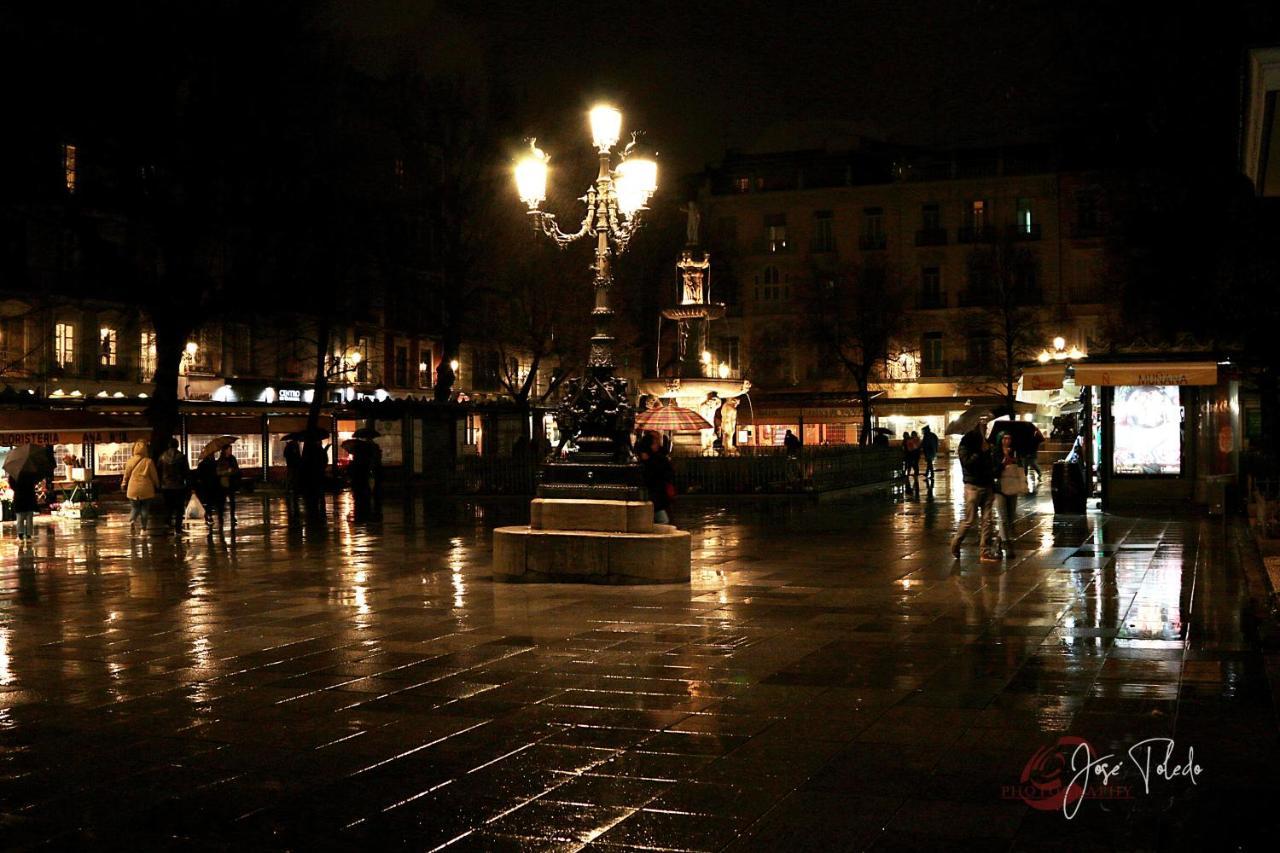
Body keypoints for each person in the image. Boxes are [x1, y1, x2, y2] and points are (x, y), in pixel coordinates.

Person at [950, 417, 998, 561]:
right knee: (970, 520)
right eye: (983, 425)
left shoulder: (987, 442)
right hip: (973, 486)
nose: (985, 427)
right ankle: (956, 542)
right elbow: (967, 463)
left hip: (987, 484)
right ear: (975, 426)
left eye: (986, 425)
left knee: (987, 520)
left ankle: (985, 550)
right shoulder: (966, 442)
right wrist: (980, 452)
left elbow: (991, 463)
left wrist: (991, 454)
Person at [991, 431, 1028, 557]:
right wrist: (1003, 462)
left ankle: (998, 542)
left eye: (1009, 438)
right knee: (1003, 518)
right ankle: (1008, 546)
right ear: (1000, 440)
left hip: (1012, 488)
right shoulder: (995, 453)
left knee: (1011, 519)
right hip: (1000, 489)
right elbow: (993, 472)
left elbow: (1022, 469)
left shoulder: (1015, 453)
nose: (1007, 441)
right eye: (1004, 438)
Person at [121, 440, 160, 534]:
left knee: (134, 507)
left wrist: (123, 483)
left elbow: (126, 475)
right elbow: (154, 475)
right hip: (146, 488)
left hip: (133, 488)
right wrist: (157, 484)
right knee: (145, 509)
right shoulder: (149, 461)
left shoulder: (130, 461)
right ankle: (143, 529)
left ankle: (132, 520)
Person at [637, 431, 675, 525]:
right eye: (655, 441)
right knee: (663, 520)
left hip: (660, 496)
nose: (658, 443)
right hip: (655, 497)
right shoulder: (652, 459)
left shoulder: (659, 456)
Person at [158, 438, 190, 534]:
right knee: (179, 508)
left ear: (168, 445)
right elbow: (186, 472)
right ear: (177, 445)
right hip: (178, 486)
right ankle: (178, 528)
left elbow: (159, 470)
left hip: (166, 486)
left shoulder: (162, 457)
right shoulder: (182, 457)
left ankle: (167, 522)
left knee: (168, 506)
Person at [195, 453, 226, 535]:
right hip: (215, 485)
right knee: (218, 503)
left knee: (209, 502)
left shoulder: (201, 465)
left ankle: (209, 516)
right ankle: (219, 517)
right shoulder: (215, 464)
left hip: (206, 486)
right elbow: (218, 474)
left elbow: (198, 476)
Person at [216, 445, 241, 526]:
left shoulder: (232, 458)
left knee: (232, 501)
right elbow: (218, 472)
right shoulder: (221, 460)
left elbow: (237, 469)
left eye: (231, 449)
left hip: (232, 482)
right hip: (224, 483)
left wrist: (234, 471)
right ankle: (220, 518)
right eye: (229, 449)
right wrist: (227, 471)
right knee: (222, 502)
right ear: (225, 450)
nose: (230, 451)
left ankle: (232, 516)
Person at [348, 442, 373, 522]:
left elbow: (351, 472)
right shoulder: (366, 460)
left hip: (357, 483)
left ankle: (361, 514)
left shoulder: (356, 461)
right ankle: (365, 514)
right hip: (363, 483)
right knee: (364, 500)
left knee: (359, 500)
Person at [13, 469, 38, 542]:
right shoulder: (31, 472)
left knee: (20, 517)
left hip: (19, 497)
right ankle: (28, 536)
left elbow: (12, 484)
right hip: (29, 497)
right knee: (29, 517)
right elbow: (34, 483)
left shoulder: (14, 472)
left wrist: (18, 489)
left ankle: (20, 536)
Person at [284, 438, 303, 514]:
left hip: (292, 465)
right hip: (293, 465)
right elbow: (297, 456)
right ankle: (291, 488)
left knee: (291, 477)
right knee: (292, 476)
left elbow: (286, 455)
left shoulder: (291, 446)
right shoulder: (292, 447)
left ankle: (290, 488)